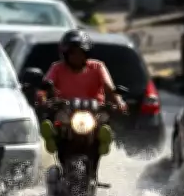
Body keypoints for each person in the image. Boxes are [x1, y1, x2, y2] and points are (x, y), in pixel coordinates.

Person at [39, 29, 126, 160]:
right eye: (73, 53)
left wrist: (119, 102)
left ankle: (104, 140)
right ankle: (52, 137)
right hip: (66, 110)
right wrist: (42, 99)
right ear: (65, 54)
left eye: (80, 53)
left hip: (94, 111)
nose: (77, 57)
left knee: (104, 121)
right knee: (57, 119)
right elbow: (44, 88)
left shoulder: (98, 66)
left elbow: (109, 87)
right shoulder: (57, 68)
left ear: (86, 54)